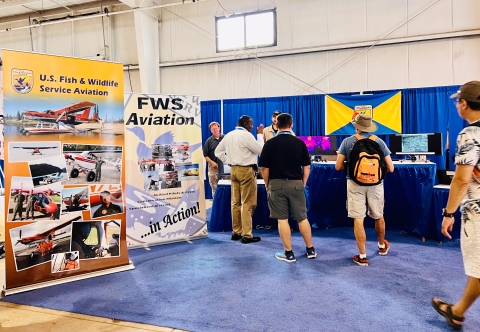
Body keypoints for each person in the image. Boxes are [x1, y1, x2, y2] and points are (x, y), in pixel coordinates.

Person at [431, 81, 480, 330]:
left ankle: (457, 312)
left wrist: (448, 213)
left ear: (464, 104)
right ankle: (457, 312)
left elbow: (461, 179)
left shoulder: (470, 134)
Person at [335, 113, 394, 266]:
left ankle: (362, 256)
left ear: (357, 127)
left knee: (358, 219)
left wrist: (350, 163)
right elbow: (391, 168)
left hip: (355, 184)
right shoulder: (379, 142)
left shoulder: (347, 142)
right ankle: (381, 246)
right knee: (378, 215)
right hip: (376, 185)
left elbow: (338, 166)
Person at [259, 113, 316, 262]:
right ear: (291, 125)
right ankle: (310, 249)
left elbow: (264, 168)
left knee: (282, 219)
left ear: (276, 126)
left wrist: (267, 184)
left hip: (276, 185)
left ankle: (289, 253)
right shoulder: (300, 143)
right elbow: (307, 167)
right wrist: (302, 183)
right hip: (296, 184)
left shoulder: (270, 144)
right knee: (302, 218)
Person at [215, 115, 264, 244]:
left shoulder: (229, 135)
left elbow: (217, 152)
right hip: (246, 171)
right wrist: (259, 135)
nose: (253, 127)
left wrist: (229, 162)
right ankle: (247, 235)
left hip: (234, 171)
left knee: (235, 203)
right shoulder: (247, 136)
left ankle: (236, 232)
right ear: (245, 124)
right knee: (247, 203)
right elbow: (261, 150)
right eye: (251, 124)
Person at [203, 121, 225, 197]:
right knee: (214, 187)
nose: (215, 130)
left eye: (216, 128)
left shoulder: (225, 138)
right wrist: (212, 163)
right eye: (213, 129)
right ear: (210, 130)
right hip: (213, 167)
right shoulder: (209, 141)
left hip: (225, 166)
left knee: (226, 186)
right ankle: (216, 205)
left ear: (219, 128)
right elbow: (205, 155)